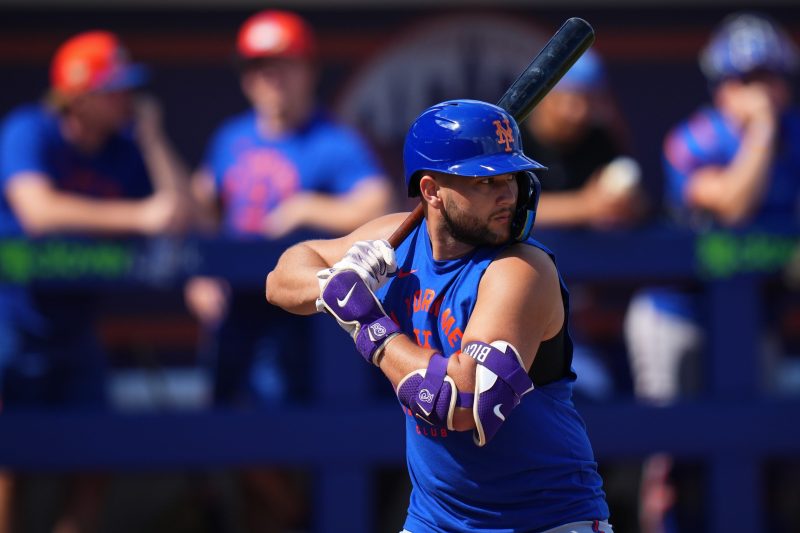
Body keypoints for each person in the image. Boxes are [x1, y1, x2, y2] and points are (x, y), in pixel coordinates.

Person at [266, 99, 612, 532]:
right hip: (435, 519)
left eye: (511, 178)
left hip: (545, 519)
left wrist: (367, 321)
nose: (507, 195)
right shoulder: (396, 240)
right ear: (431, 191)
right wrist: (332, 284)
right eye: (485, 182)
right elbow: (282, 276)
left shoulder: (520, 270)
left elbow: (460, 402)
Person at [183, 9, 392, 531]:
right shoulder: (231, 137)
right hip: (237, 317)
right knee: (231, 435)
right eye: (258, 67)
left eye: (283, 64)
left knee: (290, 445)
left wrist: (306, 208)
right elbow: (203, 203)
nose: (271, 77)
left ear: (309, 70)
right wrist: (200, 272)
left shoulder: (333, 140)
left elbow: (377, 202)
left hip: (301, 321)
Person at [0, 30, 191, 533]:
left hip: (75, 330)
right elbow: (38, 211)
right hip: (10, 321)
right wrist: (138, 216)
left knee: (95, 458)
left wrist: (152, 138)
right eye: (113, 88)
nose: (126, 97)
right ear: (77, 97)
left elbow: (179, 212)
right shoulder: (29, 129)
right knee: (8, 463)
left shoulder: (124, 147)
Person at [623, 12, 800, 533]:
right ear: (721, 87)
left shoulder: (797, 135)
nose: (760, 92)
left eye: (770, 77)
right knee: (672, 454)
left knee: (758, 450)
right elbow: (733, 205)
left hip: (753, 319)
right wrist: (761, 131)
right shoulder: (695, 138)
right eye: (745, 79)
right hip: (678, 314)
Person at [522, 48, 644, 230]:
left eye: (591, 101)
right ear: (544, 96)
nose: (582, 112)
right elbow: (507, 209)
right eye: (573, 102)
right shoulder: (513, 139)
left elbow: (640, 206)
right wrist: (584, 207)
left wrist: (626, 204)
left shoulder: (599, 140)